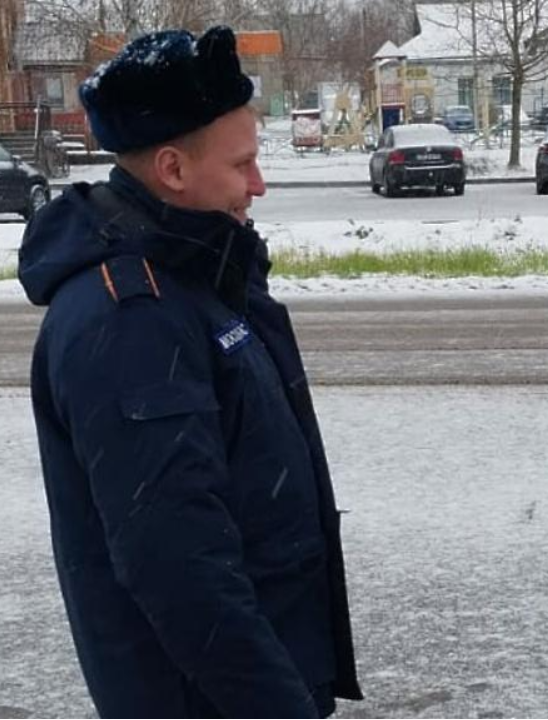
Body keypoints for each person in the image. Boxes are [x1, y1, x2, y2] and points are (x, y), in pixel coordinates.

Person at [18, 26, 361, 719]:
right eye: (243, 165)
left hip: (258, 675)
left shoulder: (200, 271)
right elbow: (178, 567)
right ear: (173, 170)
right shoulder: (131, 317)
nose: (258, 185)